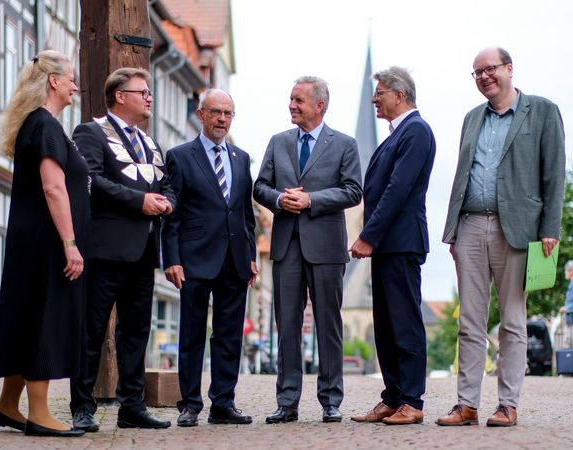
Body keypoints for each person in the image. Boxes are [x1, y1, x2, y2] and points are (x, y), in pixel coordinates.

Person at [437, 47, 565, 427]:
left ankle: (507, 404)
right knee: (469, 322)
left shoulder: (541, 110)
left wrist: (549, 229)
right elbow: (462, 174)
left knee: (512, 321)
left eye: (490, 69)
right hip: (471, 225)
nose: (484, 77)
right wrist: (452, 231)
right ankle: (467, 404)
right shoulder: (471, 118)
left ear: (509, 68)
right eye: (476, 72)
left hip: (520, 229)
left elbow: (554, 172)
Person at [69, 67, 175, 430]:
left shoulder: (150, 143)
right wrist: (139, 202)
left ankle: (133, 407)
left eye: (149, 91)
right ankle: (82, 407)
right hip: (105, 249)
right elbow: (91, 180)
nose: (149, 97)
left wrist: (167, 203)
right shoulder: (91, 132)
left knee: (136, 333)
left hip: (144, 251)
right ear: (120, 95)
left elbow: (168, 185)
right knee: (92, 331)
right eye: (142, 92)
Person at [0, 50, 88, 437]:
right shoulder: (45, 125)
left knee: (24, 317)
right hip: (48, 244)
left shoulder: (39, 124)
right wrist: (70, 243)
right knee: (44, 320)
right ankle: (40, 413)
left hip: (31, 242)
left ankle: (8, 405)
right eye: (71, 78)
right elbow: (53, 188)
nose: (75, 85)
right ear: (53, 81)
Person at [254, 76, 362, 423]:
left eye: (299, 100)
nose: (291, 105)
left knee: (327, 325)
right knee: (286, 327)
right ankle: (287, 402)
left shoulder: (344, 144)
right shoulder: (277, 142)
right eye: (290, 99)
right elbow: (260, 187)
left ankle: (331, 401)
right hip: (286, 247)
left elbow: (353, 191)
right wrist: (280, 200)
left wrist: (311, 199)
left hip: (327, 248)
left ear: (320, 105)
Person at [162, 89, 257, 427]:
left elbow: (245, 213)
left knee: (229, 335)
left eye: (228, 113)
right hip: (194, 260)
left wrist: (251, 255)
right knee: (191, 334)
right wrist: (171, 258)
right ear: (201, 115)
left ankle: (223, 404)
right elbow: (171, 216)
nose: (221, 119)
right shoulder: (180, 156)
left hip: (234, 260)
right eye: (215, 112)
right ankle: (189, 404)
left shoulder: (241, 158)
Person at [350, 67, 436, 425]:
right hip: (389, 244)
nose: (375, 98)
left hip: (399, 242)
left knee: (404, 322)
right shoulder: (396, 134)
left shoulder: (415, 131)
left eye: (380, 92)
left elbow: (397, 190)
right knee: (385, 324)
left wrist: (368, 235)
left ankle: (411, 401)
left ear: (399, 96)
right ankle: (393, 396)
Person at [561, 261, 573, 348]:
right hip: (569, 321)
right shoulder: (571, 285)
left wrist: (566, 308)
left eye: (566, 270)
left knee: (568, 346)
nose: (565, 272)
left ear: (571, 271)